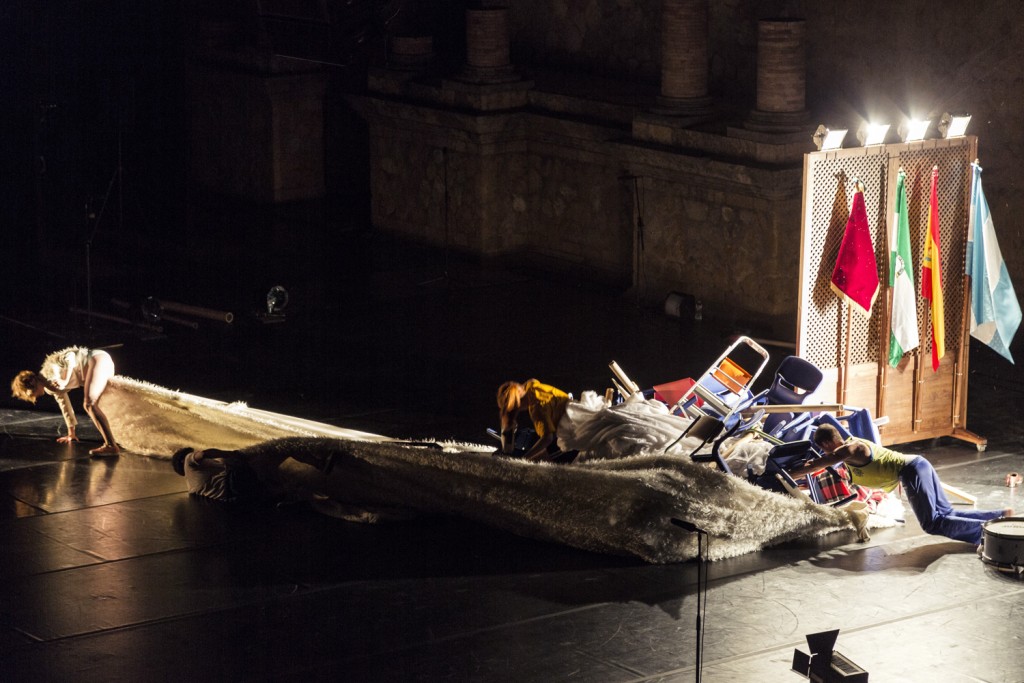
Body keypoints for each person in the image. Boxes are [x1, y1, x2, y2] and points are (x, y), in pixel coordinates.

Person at [789, 423, 1011, 546]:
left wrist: (790, 472)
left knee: (932, 524)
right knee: (946, 512)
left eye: (824, 448)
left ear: (827, 443)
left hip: (912, 471)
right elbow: (828, 466)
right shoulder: (848, 456)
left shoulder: (851, 448)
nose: (825, 452)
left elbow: (819, 463)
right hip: (917, 465)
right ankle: (1001, 516)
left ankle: (988, 534)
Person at [11, 346, 120, 456]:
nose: (34, 397)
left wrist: (64, 380)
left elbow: (71, 356)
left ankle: (111, 445)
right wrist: (71, 433)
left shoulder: (48, 372)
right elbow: (64, 405)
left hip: (97, 359)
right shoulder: (50, 388)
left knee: (89, 405)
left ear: (31, 385)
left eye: (30, 394)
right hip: (99, 364)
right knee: (97, 406)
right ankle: (113, 442)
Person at [171, 445, 335, 503]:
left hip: (240, 497)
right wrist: (232, 453)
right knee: (283, 448)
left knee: (282, 485)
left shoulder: (193, 484)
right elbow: (203, 453)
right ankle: (321, 464)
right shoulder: (187, 461)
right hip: (236, 482)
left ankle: (299, 495)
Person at [496, 379, 574, 462]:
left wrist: (523, 459)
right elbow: (529, 382)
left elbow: (547, 438)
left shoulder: (536, 408)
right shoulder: (531, 386)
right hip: (578, 417)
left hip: (574, 436)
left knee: (534, 460)